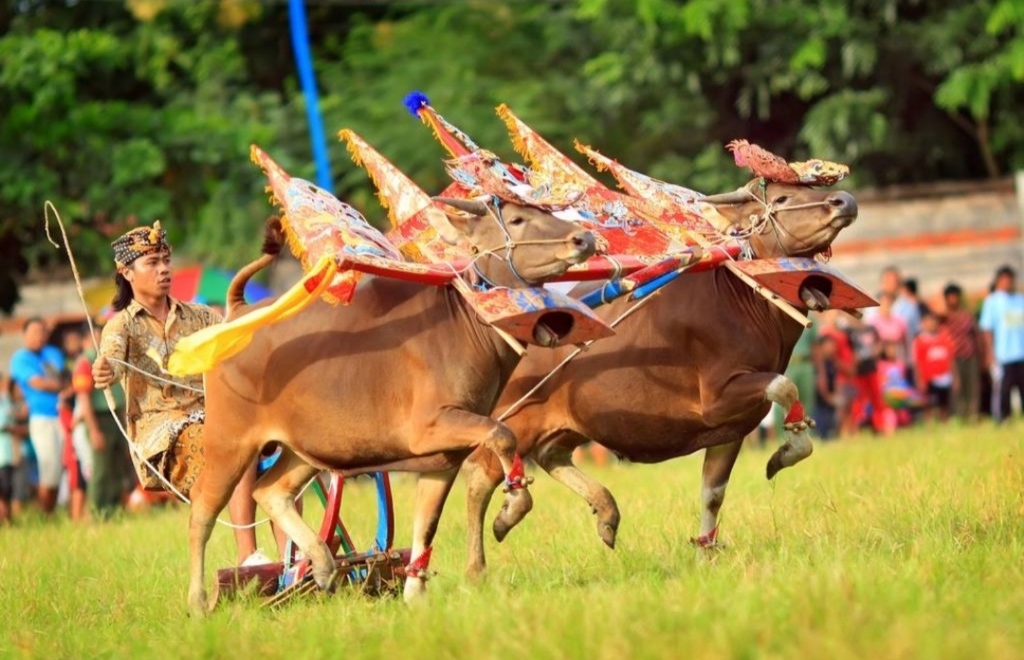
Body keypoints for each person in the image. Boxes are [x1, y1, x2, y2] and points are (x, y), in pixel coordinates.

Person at [91, 221, 270, 563]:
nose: (164, 269)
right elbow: (111, 358)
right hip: (162, 437)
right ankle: (249, 558)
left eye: (166, 260)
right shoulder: (120, 325)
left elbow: (237, 345)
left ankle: (294, 556)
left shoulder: (201, 316)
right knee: (236, 441)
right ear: (127, 272)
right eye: (152, 263)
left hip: (215, 421)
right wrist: (106, 369)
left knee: (280, 443)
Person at [8, 317, 67, 514]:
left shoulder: (53, 353)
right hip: (41, 418)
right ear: (24, 335)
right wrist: (60, 386)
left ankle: (51, 513)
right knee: (48, 466)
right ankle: (45, 514)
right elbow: (38, 383)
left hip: (62, 414)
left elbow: (61, 377)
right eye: (34, 332)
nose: (39, 336)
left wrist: (57, 384)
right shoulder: (20, 358)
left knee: (60, 467)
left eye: (42, 332)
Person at [72, 326, 131, 518]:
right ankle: (96, 512)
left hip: (116, 417)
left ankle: (114, 511)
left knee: (117, 465)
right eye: (95, 336)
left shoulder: (111, 359)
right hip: (99, 418)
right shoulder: (85, 362)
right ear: (85, 340)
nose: (99, 340)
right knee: (101, 469)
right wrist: (94, 430)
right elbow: (83, 398)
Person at [979, 265, 1024, 423]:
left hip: (1021, 353)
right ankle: (1004, 418)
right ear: (998, 281)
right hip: (1004, 354)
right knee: (1004, 389)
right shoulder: (992, 302)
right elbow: (987, 330)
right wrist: (990, 353)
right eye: (1004, 280)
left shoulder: (1020, 300)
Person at [943, 283, 981, 423]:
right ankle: (959, 415)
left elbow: (976, 334)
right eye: (950, 297)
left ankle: (973, 413)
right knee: (957, 386)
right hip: (954, 356)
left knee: (973, 385)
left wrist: (981, 353)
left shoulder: (967, 315)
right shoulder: (944, 317)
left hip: (971, 354)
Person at [913, 311, 957, 423]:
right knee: (929, 403)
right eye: (928, 321)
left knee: (944, 404)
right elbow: (918, 363)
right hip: (929, 379)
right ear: (923, 323)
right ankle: (930, 424)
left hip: (945, 378)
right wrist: (920, 380)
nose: (931, 324)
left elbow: (951, 359)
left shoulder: (944, 339)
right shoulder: (920, 341)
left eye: (933, 321)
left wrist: (955, 377)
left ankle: (944, 423)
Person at [812, 335, 840, 440]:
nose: (831, 348)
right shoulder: (817, 364)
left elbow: (836, 381)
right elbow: (819, 384)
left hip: (830, 402)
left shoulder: (832, 362)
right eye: (828, 345)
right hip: (819, 403)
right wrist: (829, 397)